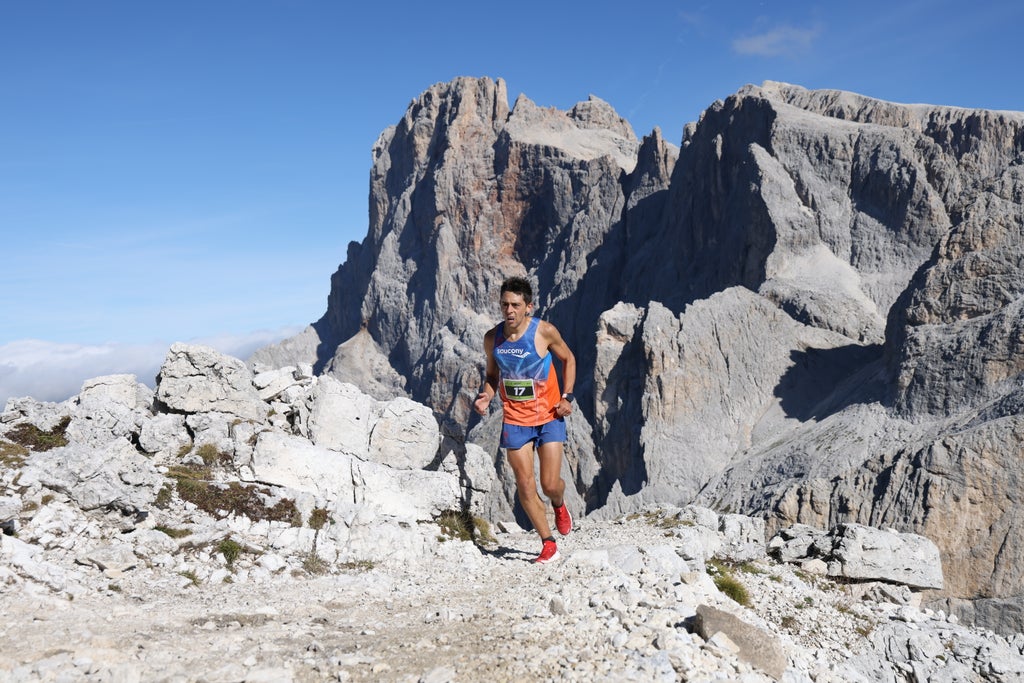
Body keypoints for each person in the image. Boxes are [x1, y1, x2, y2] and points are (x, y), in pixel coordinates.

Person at [474, 276, 576, 564]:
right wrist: (485, 394)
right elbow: (493, 376)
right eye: (505, 304)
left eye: (516, 305)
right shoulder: (492, 338)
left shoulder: (544, 332)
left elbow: (568, 359)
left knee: (549, 484)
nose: (509, 311)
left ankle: (559, 503)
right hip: (515, 419)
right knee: (525, 484)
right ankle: (548, 543)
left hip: (549, 416)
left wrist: (567, 397)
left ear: (528, 307)